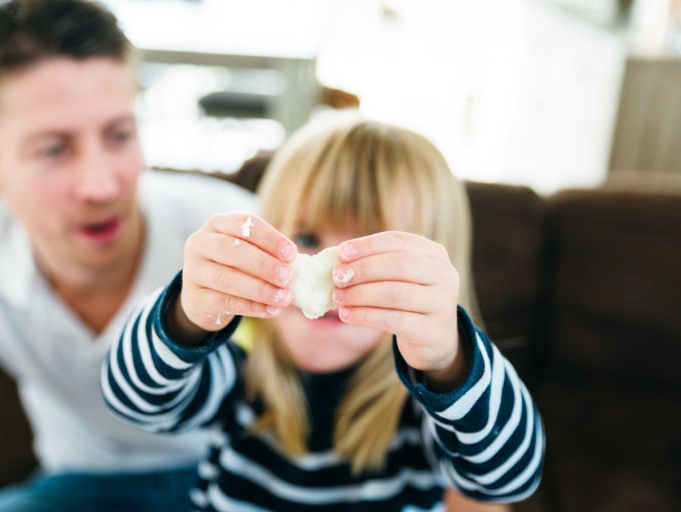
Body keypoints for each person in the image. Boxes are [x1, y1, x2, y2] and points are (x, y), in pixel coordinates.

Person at [102, 113, 546, 511]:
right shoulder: (240, 373)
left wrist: (447, 359)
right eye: (308, 238)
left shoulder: (423, 410)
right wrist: (186, 315)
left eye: (370, 253)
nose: (335, 275)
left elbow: (510, 478)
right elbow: (132, 399)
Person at [0, 1, 255, 511]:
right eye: (53, 149)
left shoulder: (237, 228)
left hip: (234, 479)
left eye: (119, 135)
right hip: (75, 484)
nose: (101, 186)